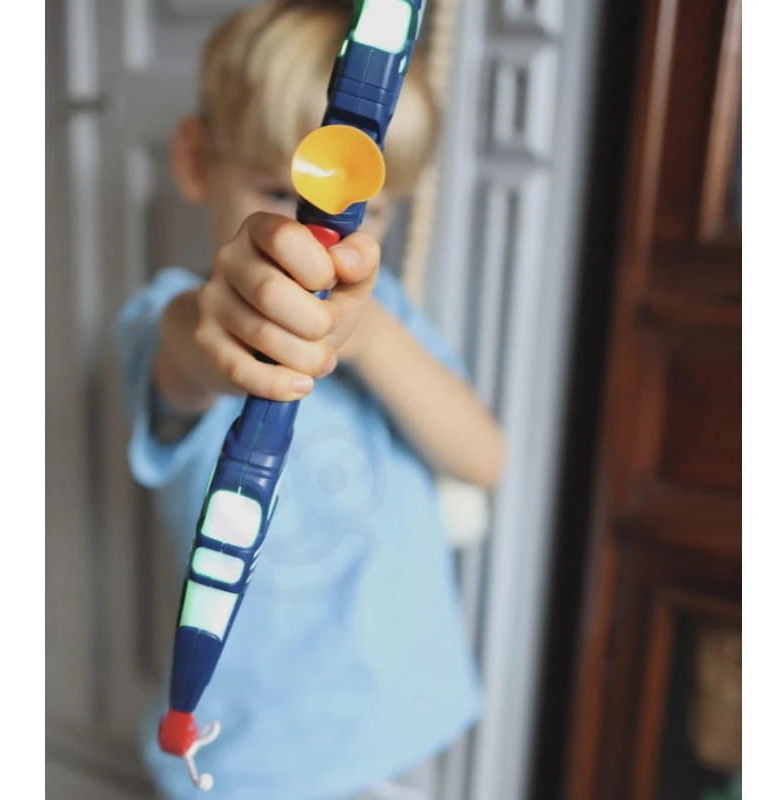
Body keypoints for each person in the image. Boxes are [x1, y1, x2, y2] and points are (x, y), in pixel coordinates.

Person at [114, 2, 504, 798]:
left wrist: (369, 339)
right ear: (197, 160)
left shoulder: (387, 316)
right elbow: (187, 352)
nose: (315, 236)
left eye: (364, 208)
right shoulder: (169, 313)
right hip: (242, 755)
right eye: (277, 189)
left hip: (394, 729)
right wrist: (227, 329)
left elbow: (483, 458)